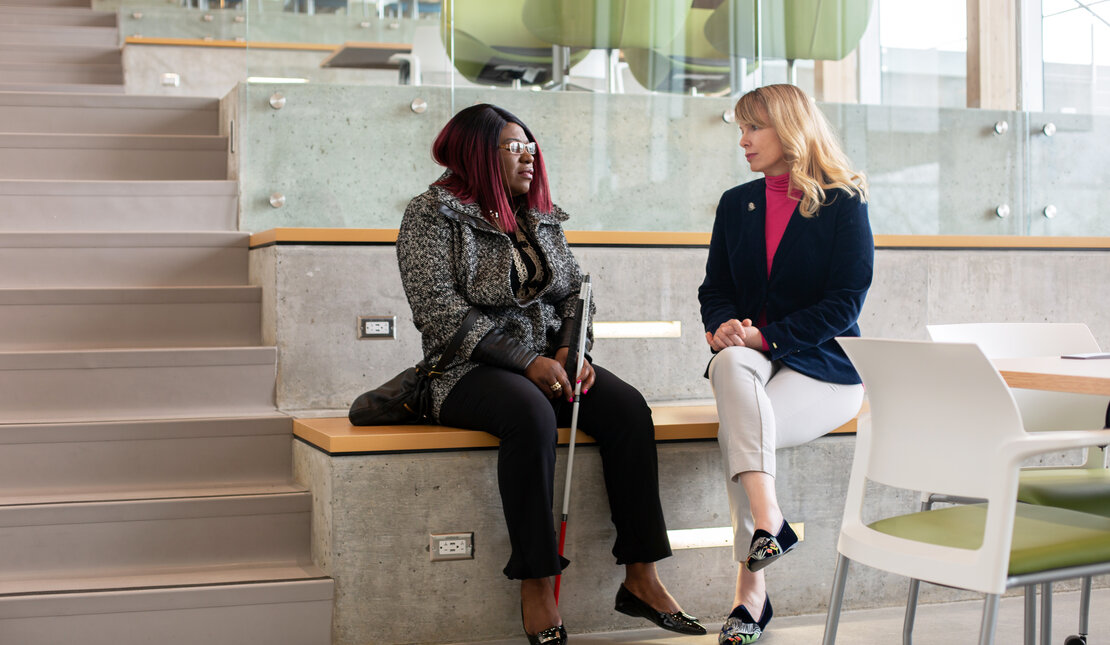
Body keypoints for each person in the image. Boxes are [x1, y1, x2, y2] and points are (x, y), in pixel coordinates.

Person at [396, 104, 705, 644]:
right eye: (515, 147)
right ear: (477, 153)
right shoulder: (430, 215)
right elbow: (438, 310)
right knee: (529, 413)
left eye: (531, 146)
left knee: (628, 409)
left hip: (548, 363)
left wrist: (569, 350)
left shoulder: (538, 216)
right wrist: (525, 362)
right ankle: (537, 583)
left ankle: (642, 576)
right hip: (467, 368)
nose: (529, 157)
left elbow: (574, 294)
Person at [698, 84, 873, 645]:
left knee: (739, 433)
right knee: (728, 367)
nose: (743, 141)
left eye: (754, 128)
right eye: (741, 129)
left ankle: (750, 595)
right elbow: (716, 288)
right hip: (753, 360)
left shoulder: (843, 201)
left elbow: (844, 303)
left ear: (790, 129)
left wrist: (763, 337)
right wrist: (725, 325)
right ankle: (770, 521)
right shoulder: (736, 203)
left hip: (825, 366)